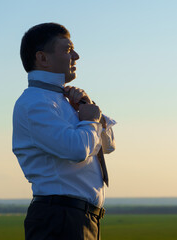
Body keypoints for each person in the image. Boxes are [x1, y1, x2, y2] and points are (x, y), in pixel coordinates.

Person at [12, 22, 116, 240]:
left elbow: (108, 146)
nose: (76, 56)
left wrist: (92, 115)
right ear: (42, 58)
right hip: (59, 219)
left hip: (77, 219)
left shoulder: (65, 101)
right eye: (68, 50)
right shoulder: (34, 103)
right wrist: (89, 122)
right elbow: (77, 149)